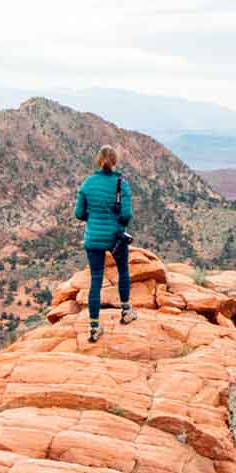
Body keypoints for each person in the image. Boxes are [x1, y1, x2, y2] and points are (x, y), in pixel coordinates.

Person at [74, 145, 136, 342]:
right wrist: (116, 222)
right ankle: (126, 312)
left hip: (93, 238)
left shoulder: (88, 183)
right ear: (114, 161)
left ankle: (94, 327)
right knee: (123, 271)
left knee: (95, 280)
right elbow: (126, 215)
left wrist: (94, 218)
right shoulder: (121, 184)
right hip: (115, 237)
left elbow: (79, 214)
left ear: (98, 161)